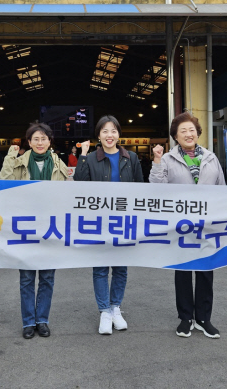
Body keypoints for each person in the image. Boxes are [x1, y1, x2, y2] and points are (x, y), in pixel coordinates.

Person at [150, 112, 226, 339]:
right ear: (175, 136)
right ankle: (185, 318)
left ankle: (204, 318)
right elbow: (156, 189)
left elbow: (222, 189)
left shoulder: (211, 158)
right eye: (182, 131)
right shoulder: (167, 159)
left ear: (198, 133)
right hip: (180, 225)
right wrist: (155, 161)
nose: (188, 134)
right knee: (182, 272)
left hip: (207, 224)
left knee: (205, 271)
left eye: (191, 130)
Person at [74, 115, 144, 335]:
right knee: (101, 267)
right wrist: (83, 155)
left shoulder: (130, 157)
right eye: (104, 131)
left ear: (119, 134)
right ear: (99, 135)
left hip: (124, 220)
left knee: (121, 268)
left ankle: (116, 307)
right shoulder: (92, 158)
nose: (109, 135)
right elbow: (80, 183)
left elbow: (140, 188)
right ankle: (104, 311)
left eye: (113, 131)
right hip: (99, 221)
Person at [0, 122, 68, 339]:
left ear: (50, 142)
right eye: (36, 139)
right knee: (27, 278)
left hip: (50, 227)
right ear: (28, 142)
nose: (40, 143)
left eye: (44, 138)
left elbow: (69, 194)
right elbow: (4, 183)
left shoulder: (60, 165)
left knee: (47, 277)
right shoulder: (18, 163)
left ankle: (43, 320)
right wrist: (10, 157)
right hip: (27, 227)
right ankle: (28, 321)